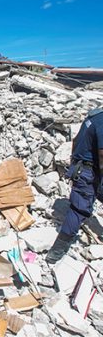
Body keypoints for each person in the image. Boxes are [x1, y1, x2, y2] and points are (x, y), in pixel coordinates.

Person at [46, 108, 103, 263]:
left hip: (83, 167)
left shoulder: (96, 116)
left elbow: (76, 141)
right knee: (79, 210)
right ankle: (56, 251)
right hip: (89, 172)